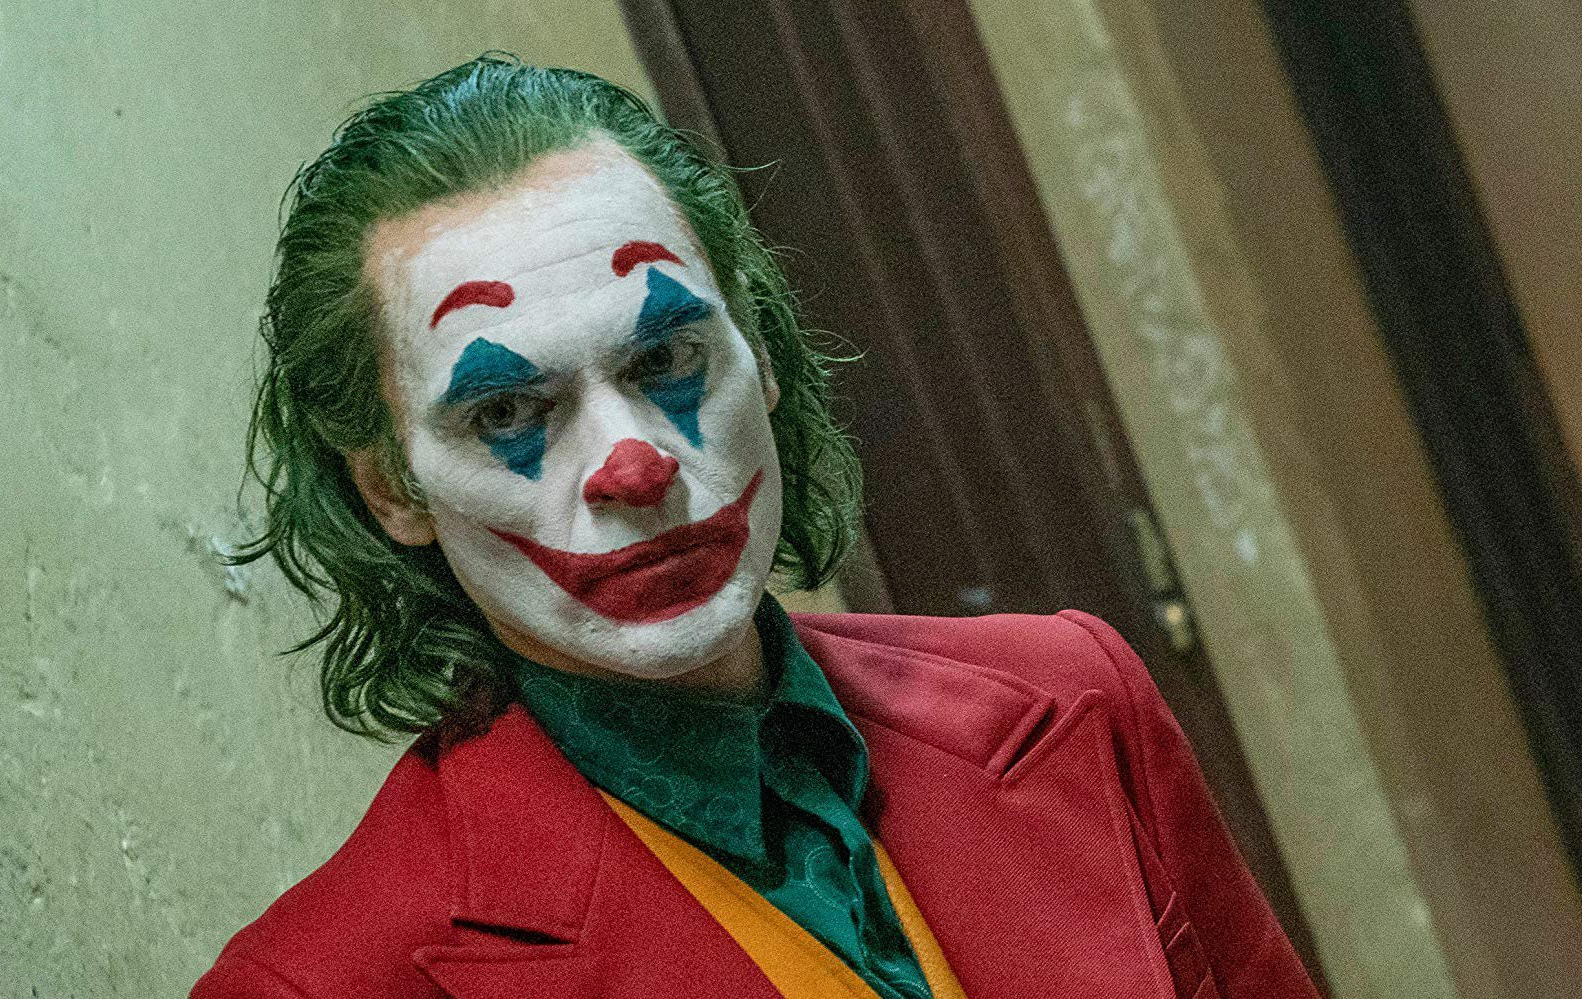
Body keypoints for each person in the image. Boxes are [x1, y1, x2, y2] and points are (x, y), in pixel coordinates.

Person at [192, 55, 1318, 999]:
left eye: (666, 357)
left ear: (760, 353)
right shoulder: (327, 981)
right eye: (506, 413)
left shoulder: (1071, 697)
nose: (633, 466)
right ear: (391, 490)